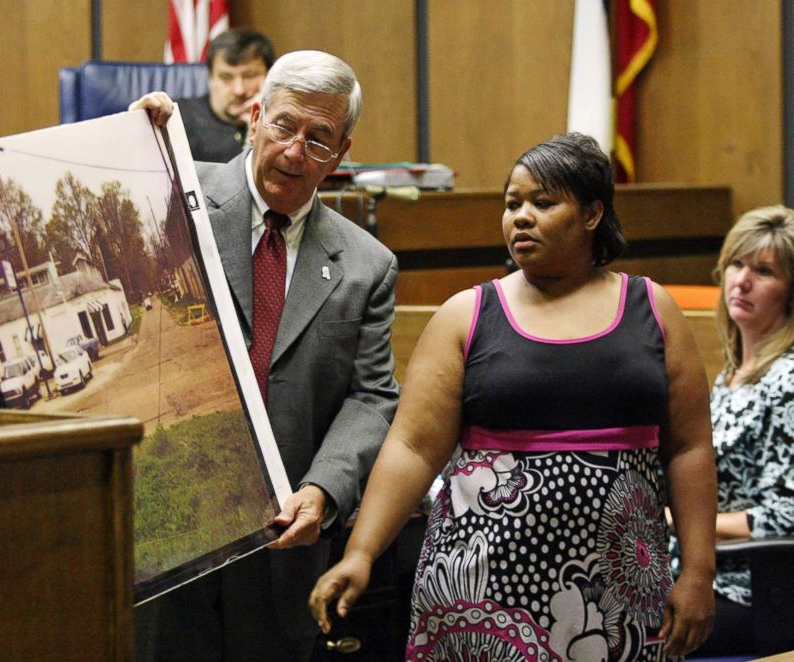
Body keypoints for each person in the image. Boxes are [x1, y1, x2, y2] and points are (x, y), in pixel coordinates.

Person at [310, 132, 719, 660]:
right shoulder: (467, 314)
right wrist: (361, 553)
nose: (520, 217)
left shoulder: (652, 307)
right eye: (511, 204)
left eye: (542, 203)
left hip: (621, 596)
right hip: (481, 593)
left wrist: (698, 572)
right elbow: (411, 448)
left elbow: (690, 448)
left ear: (592, 214)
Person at [132, 50, 399, 661]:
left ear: (343, 152)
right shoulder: (175, 191)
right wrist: (133, 147)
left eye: (320, 138)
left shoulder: (368, 266)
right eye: (283, 126)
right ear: (255, 117)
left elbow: (373, 395)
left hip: (282, 540)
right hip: (169, 531)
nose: (295, 152)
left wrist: (326, 490)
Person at [684, 205, 794, 656]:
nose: (741, 282)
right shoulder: (733, 373)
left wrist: (684, 521)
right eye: (736, 264)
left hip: (757, 593)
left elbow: (787, 515)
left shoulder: (787, 381)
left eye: (763, 271)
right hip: (705, 574)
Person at [176, 27, 275, 163]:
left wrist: (263, 124)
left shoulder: (282, 126)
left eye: (249, 76)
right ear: (210, 78)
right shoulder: (178, 119)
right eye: (226, 77)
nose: (239, 90)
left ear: (269, 76)